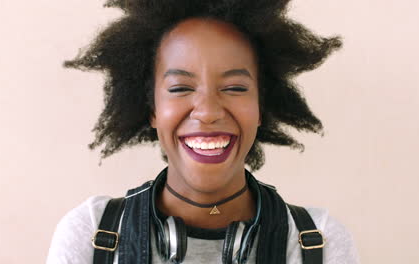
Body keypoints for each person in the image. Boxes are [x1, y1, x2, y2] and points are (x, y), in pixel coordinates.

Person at [47, 0, 359, 263]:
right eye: (181, 87)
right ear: (152, 109)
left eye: (235, 88)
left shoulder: (318, 243)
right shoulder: (90, 234)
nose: (208, 112)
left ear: (261, 107)